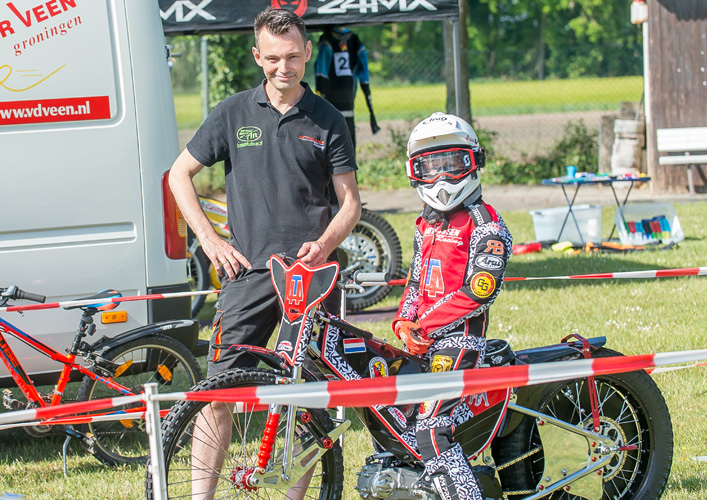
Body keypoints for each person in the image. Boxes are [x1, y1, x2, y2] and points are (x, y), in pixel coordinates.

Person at [168, 7, 361, 498]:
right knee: (216, 395)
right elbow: (177, 175)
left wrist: (325, 244)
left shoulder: (329, 119)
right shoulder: (231, 113)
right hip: (249, 273)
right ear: (258, 56)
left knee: (305, 401)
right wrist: (211, 242)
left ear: (307, 53)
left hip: (311, 278)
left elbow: (351, 204)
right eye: (273, 58)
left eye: (293, 56)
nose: (284, 67)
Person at [392, 112, 512, 500]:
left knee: (431, 427)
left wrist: (424, 327)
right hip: (421, 340)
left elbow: (480, 292)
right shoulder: (423, 225)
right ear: (415, 171)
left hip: (460, 343)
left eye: (453, 163)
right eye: (431, 166)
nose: (442, 177)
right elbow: (414, 282)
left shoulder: (486, 223)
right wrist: (402, 322)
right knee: (392, 419)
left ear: (473, 161)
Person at [314, 25, 380, 155]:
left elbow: (321, 70)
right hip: (348, 96)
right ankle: (350, 172)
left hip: (330, 98)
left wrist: (319, 94)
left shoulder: (327, 39)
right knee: (348, 140)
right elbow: (364, 72)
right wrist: (367, 98)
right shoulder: (355, 40)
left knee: (330, 141)